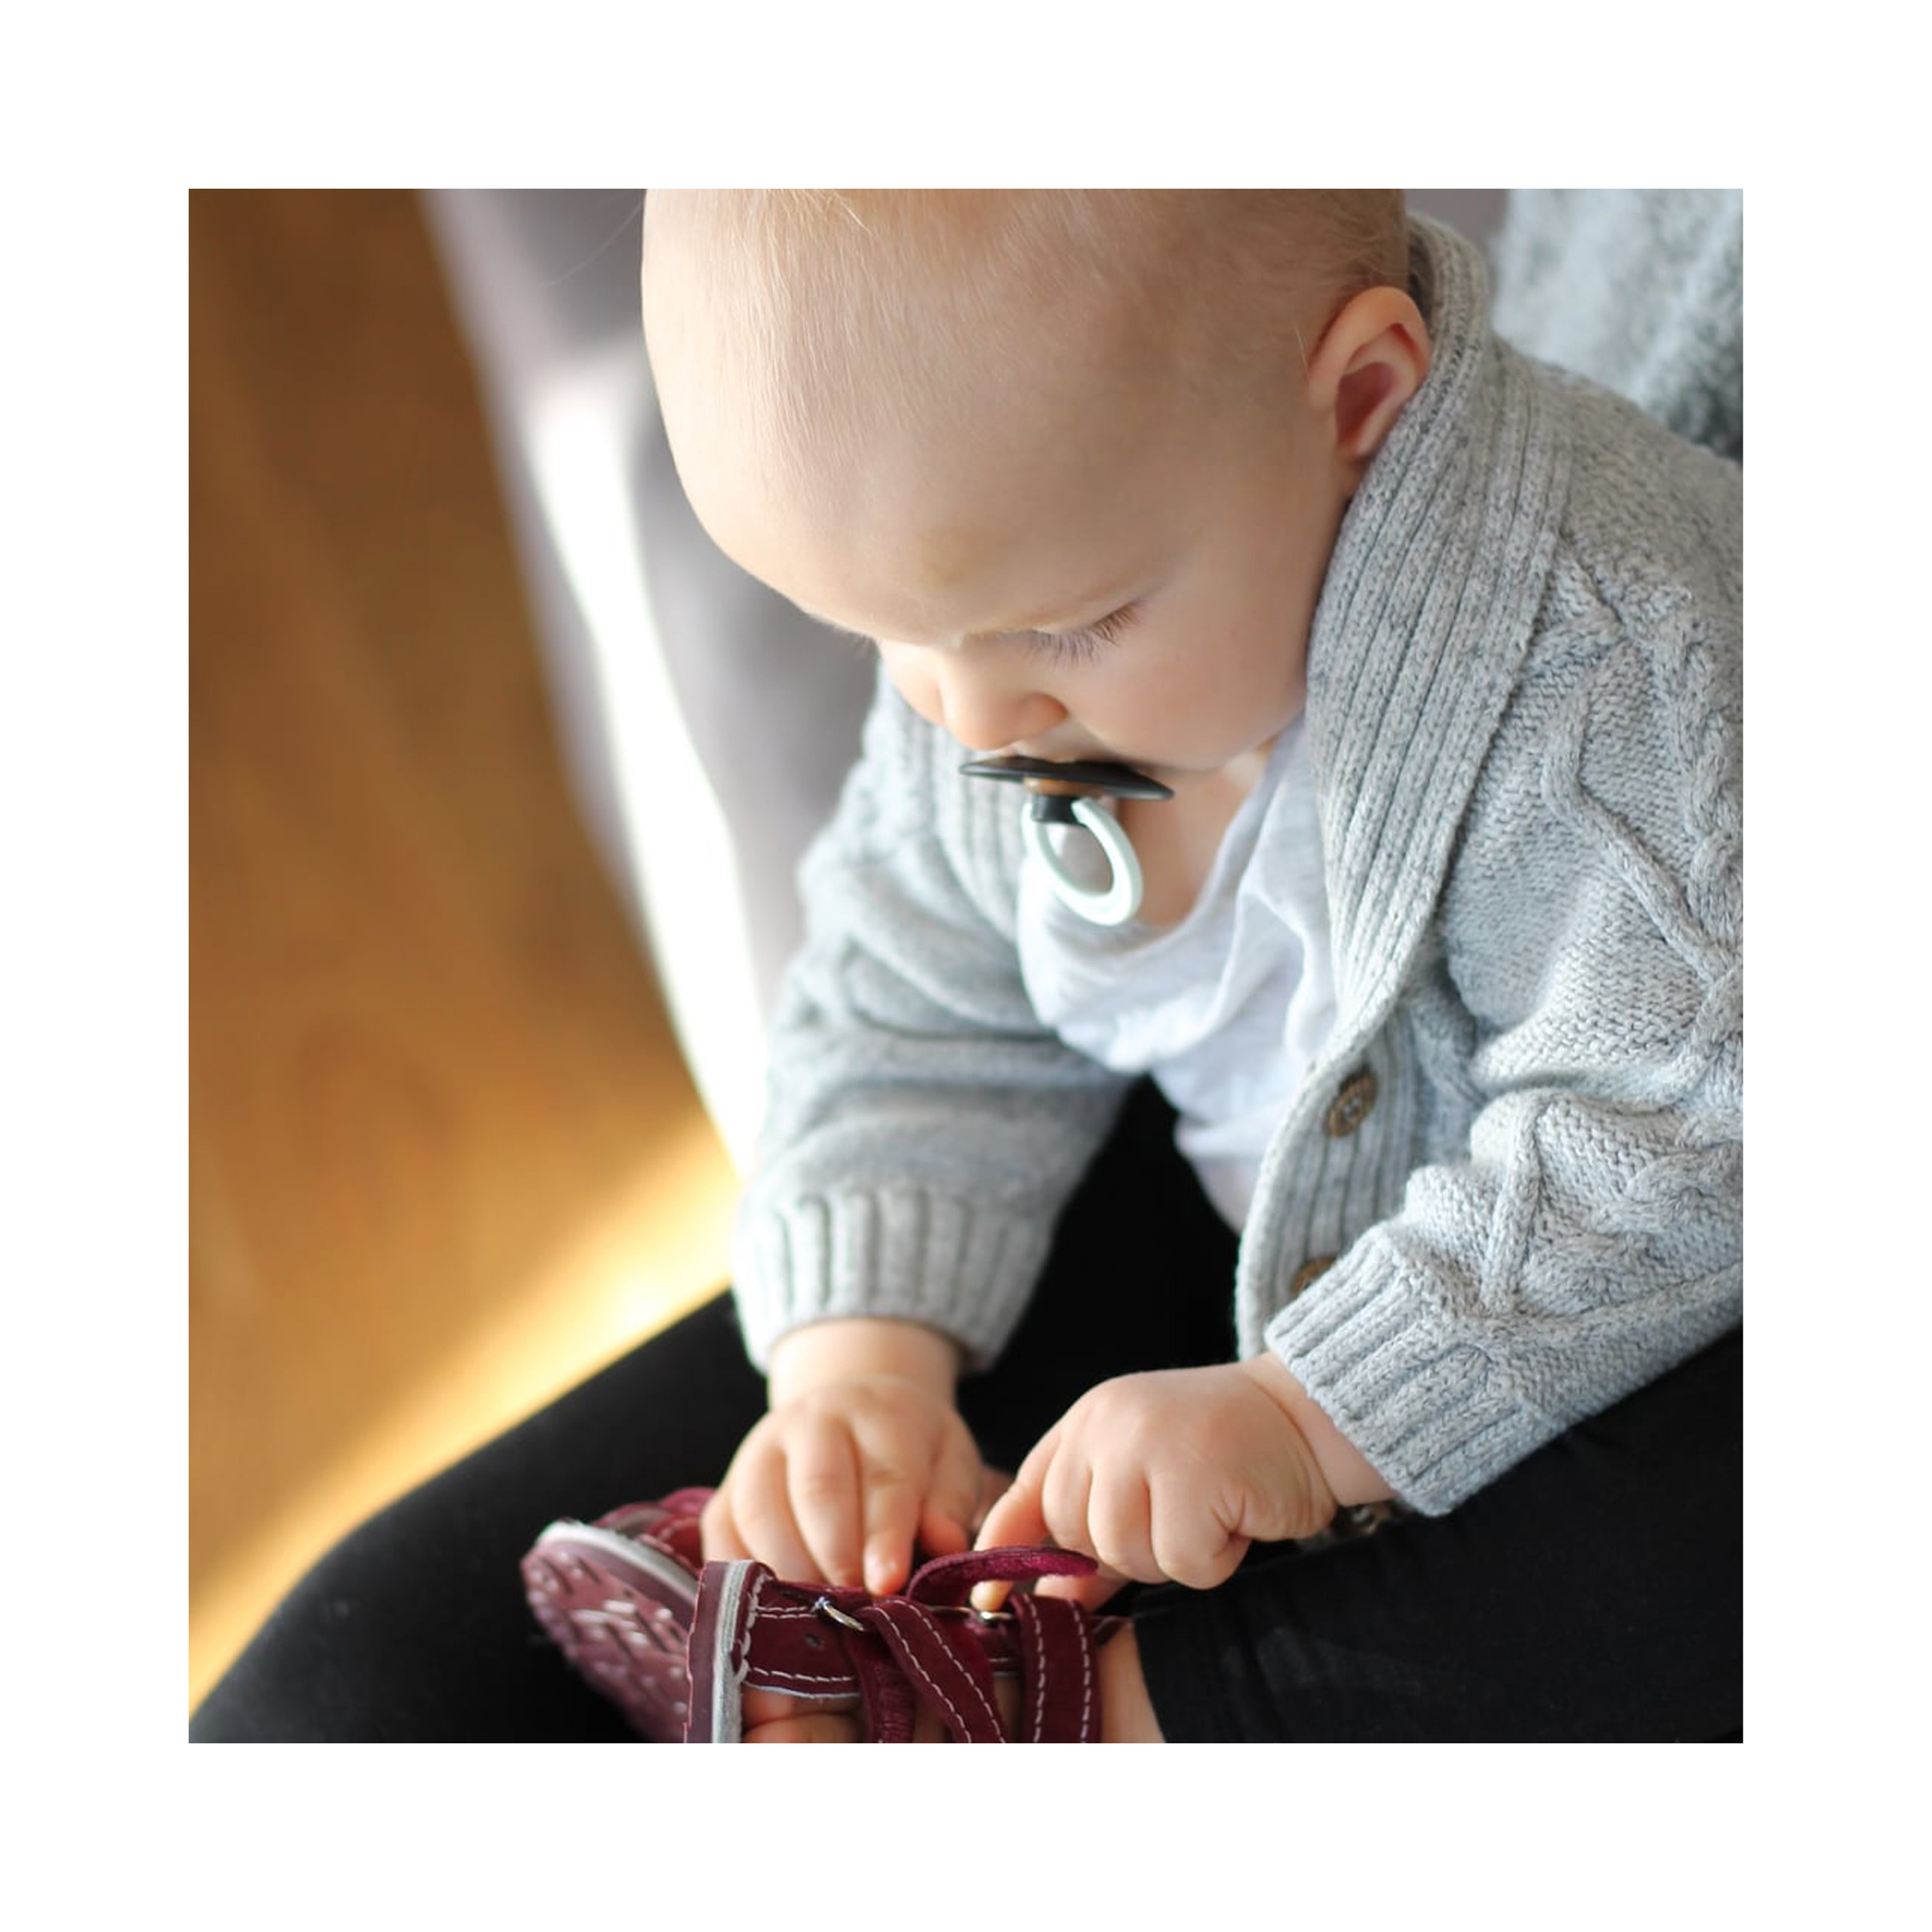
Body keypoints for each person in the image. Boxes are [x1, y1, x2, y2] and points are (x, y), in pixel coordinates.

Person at [192, 190, 1740, 1743]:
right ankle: (921, 1651)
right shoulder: (989, 630)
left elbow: (1681, 1131)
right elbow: (905, 1001)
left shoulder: (1618, 672)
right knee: (317, 1703)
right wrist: (858, 1369)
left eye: (1069, 626)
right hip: (1257, 1235)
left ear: (1357, 403)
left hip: (1614, 1301)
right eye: (883, 634)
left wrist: (1311, 1413)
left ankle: (1021, 1706)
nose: (969, 720)